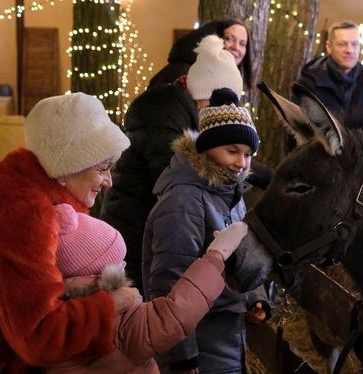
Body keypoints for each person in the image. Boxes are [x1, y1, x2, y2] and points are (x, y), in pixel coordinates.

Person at [0, 93, 140, 372]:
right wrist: (112, 303)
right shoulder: (22, 212)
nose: (109, 182)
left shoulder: (11, 184)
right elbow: (41, 337)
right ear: (70, 164)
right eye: (103, 168)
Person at [100, 34, 272, 292]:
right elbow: (189, 180)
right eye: (221, 100)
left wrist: (271, 178)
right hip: (136, 231)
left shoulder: (192, 115)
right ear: (205, 94)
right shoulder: (162, 117)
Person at [143, 88, 269, 374]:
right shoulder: (184, 201)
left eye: (248, 154)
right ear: (206, 147)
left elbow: (241, 257)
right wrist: (182, 357)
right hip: (200, 339)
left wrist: (254, 298)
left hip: (229, 333)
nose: (241, 163)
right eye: (232, 151)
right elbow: (168, 282)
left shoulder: (231, 194)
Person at [46, 203, 248, 373]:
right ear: (101, 274)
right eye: (117, 262)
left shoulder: (51, 316)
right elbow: (174, 315)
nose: (124, 266)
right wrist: (215, 256)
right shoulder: (116, 318)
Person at [291, 19, 363, 150]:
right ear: (329, 47)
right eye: (342, 44)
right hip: (322, 163)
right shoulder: (309, 83)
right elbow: (296, 132)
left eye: (355, 44)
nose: (349, 50)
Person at [149, 18, 253, 91]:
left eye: (242, 44)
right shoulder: (183, 74)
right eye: (229, 38)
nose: (236, 47)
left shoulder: (226, 82)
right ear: (213, 38)